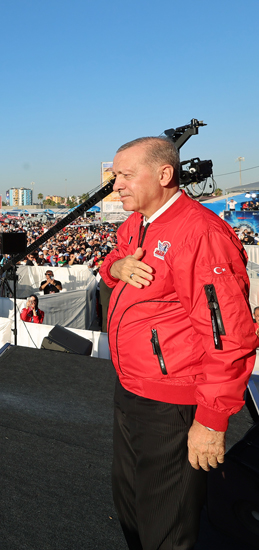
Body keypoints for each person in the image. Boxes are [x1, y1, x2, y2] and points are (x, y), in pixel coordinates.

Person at [100, 136, 258, 550]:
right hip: (130, 388)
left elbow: (230, 337)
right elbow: (111, 264)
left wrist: (210, 420)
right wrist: (115, 266)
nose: (116, 185)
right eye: (116, 175)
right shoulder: (136, 223)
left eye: (126, 175)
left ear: (164, 174)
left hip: (172, 403)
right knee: (131, 507)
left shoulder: (201, 233)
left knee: (166, 526)